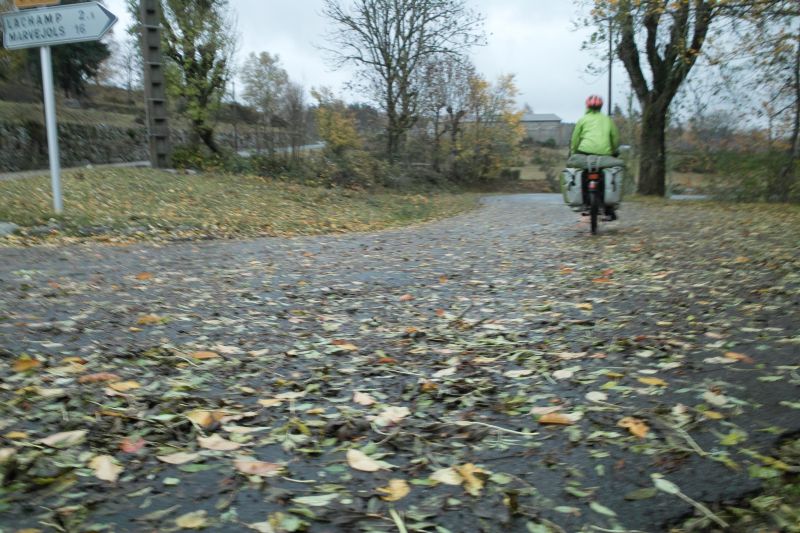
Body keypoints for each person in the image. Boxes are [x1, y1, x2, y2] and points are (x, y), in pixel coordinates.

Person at [570, 95, 620, 220]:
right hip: (604, 154)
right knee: (608, 175)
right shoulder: (608, 120)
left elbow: (575, 139)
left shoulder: (582, 120)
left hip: (584, 153)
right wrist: (614, 150)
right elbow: (615, 138)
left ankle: (584, 202)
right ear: (601, 107)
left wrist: (573, 152)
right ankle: (609, 209)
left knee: (583, 174)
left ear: (587, 106)